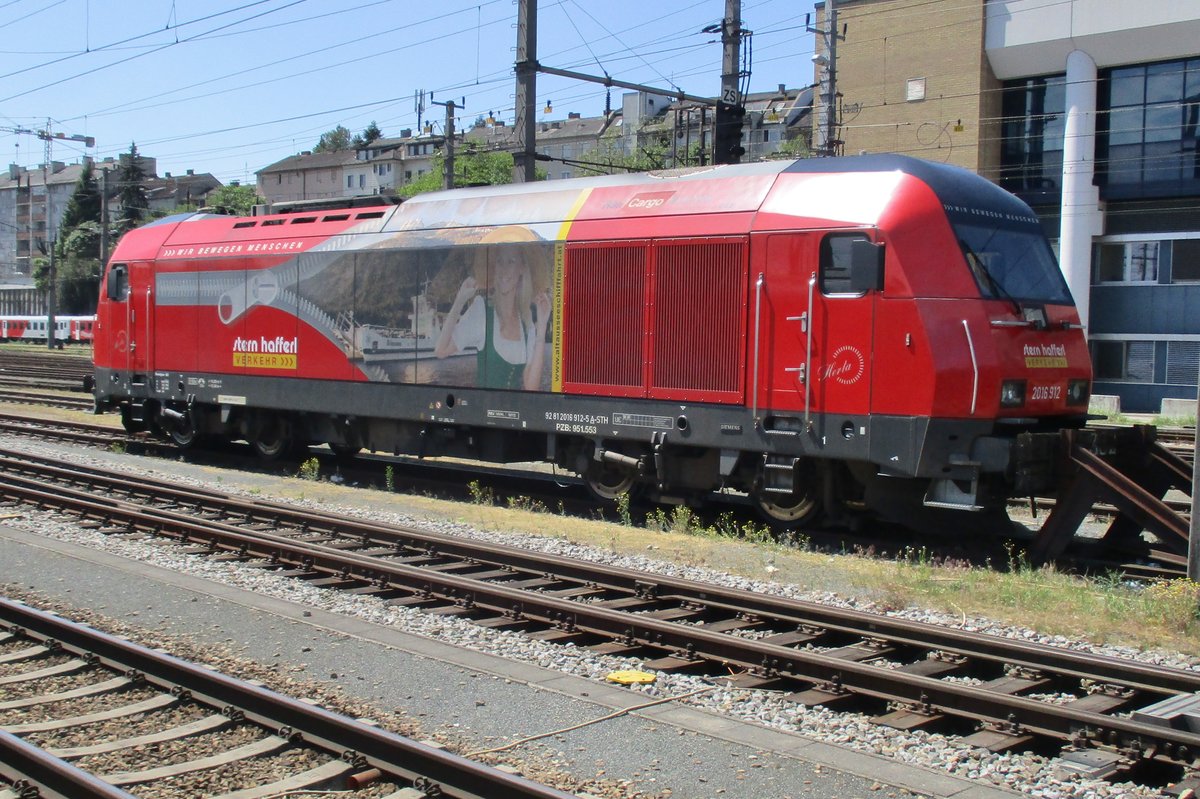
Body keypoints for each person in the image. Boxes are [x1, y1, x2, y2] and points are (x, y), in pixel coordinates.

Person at [434, 226, 551, 390]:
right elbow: (441, 351)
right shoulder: (482, 311)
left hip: (513, 414)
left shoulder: (526, 322)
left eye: (511, 261)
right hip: (483, 412)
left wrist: (543, 326)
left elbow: (531, 387)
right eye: (499, 261)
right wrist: (459, 301)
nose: (503, 269)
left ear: (522, 269)